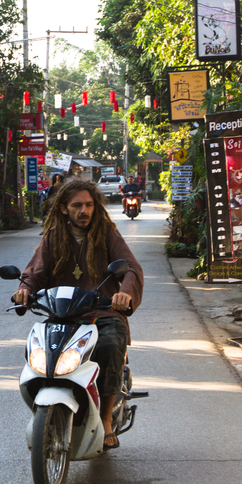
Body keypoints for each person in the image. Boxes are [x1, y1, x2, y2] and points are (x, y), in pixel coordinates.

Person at [13, 180, 144, 450]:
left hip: (102, 312)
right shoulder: (53, 237)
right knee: (41, 349)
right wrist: (24, 290)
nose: (84, 210)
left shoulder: (106, 232)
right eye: (77, 205)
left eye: (88, 205)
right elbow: (34, 273)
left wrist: (125, 293)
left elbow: (131, 268)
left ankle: (106, 418)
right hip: (64, 314)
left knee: (109, 345)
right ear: (63, 208)